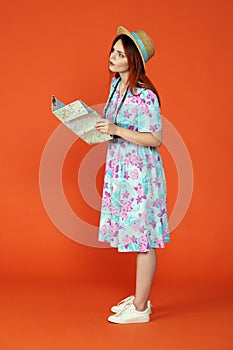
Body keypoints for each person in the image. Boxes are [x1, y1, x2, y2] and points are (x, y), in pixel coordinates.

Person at [95, 26, 170, 324]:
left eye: (119, 54)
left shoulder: (146, 96)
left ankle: (140, 309)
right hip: (121, 169)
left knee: (144, 238)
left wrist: (115, 130)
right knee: (135, 235)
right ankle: (140, 299)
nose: (112, 58)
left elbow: (155, 138)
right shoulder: (116, 85)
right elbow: (113, 124)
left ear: (133, 60)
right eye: (112, 51)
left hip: (140, 173)